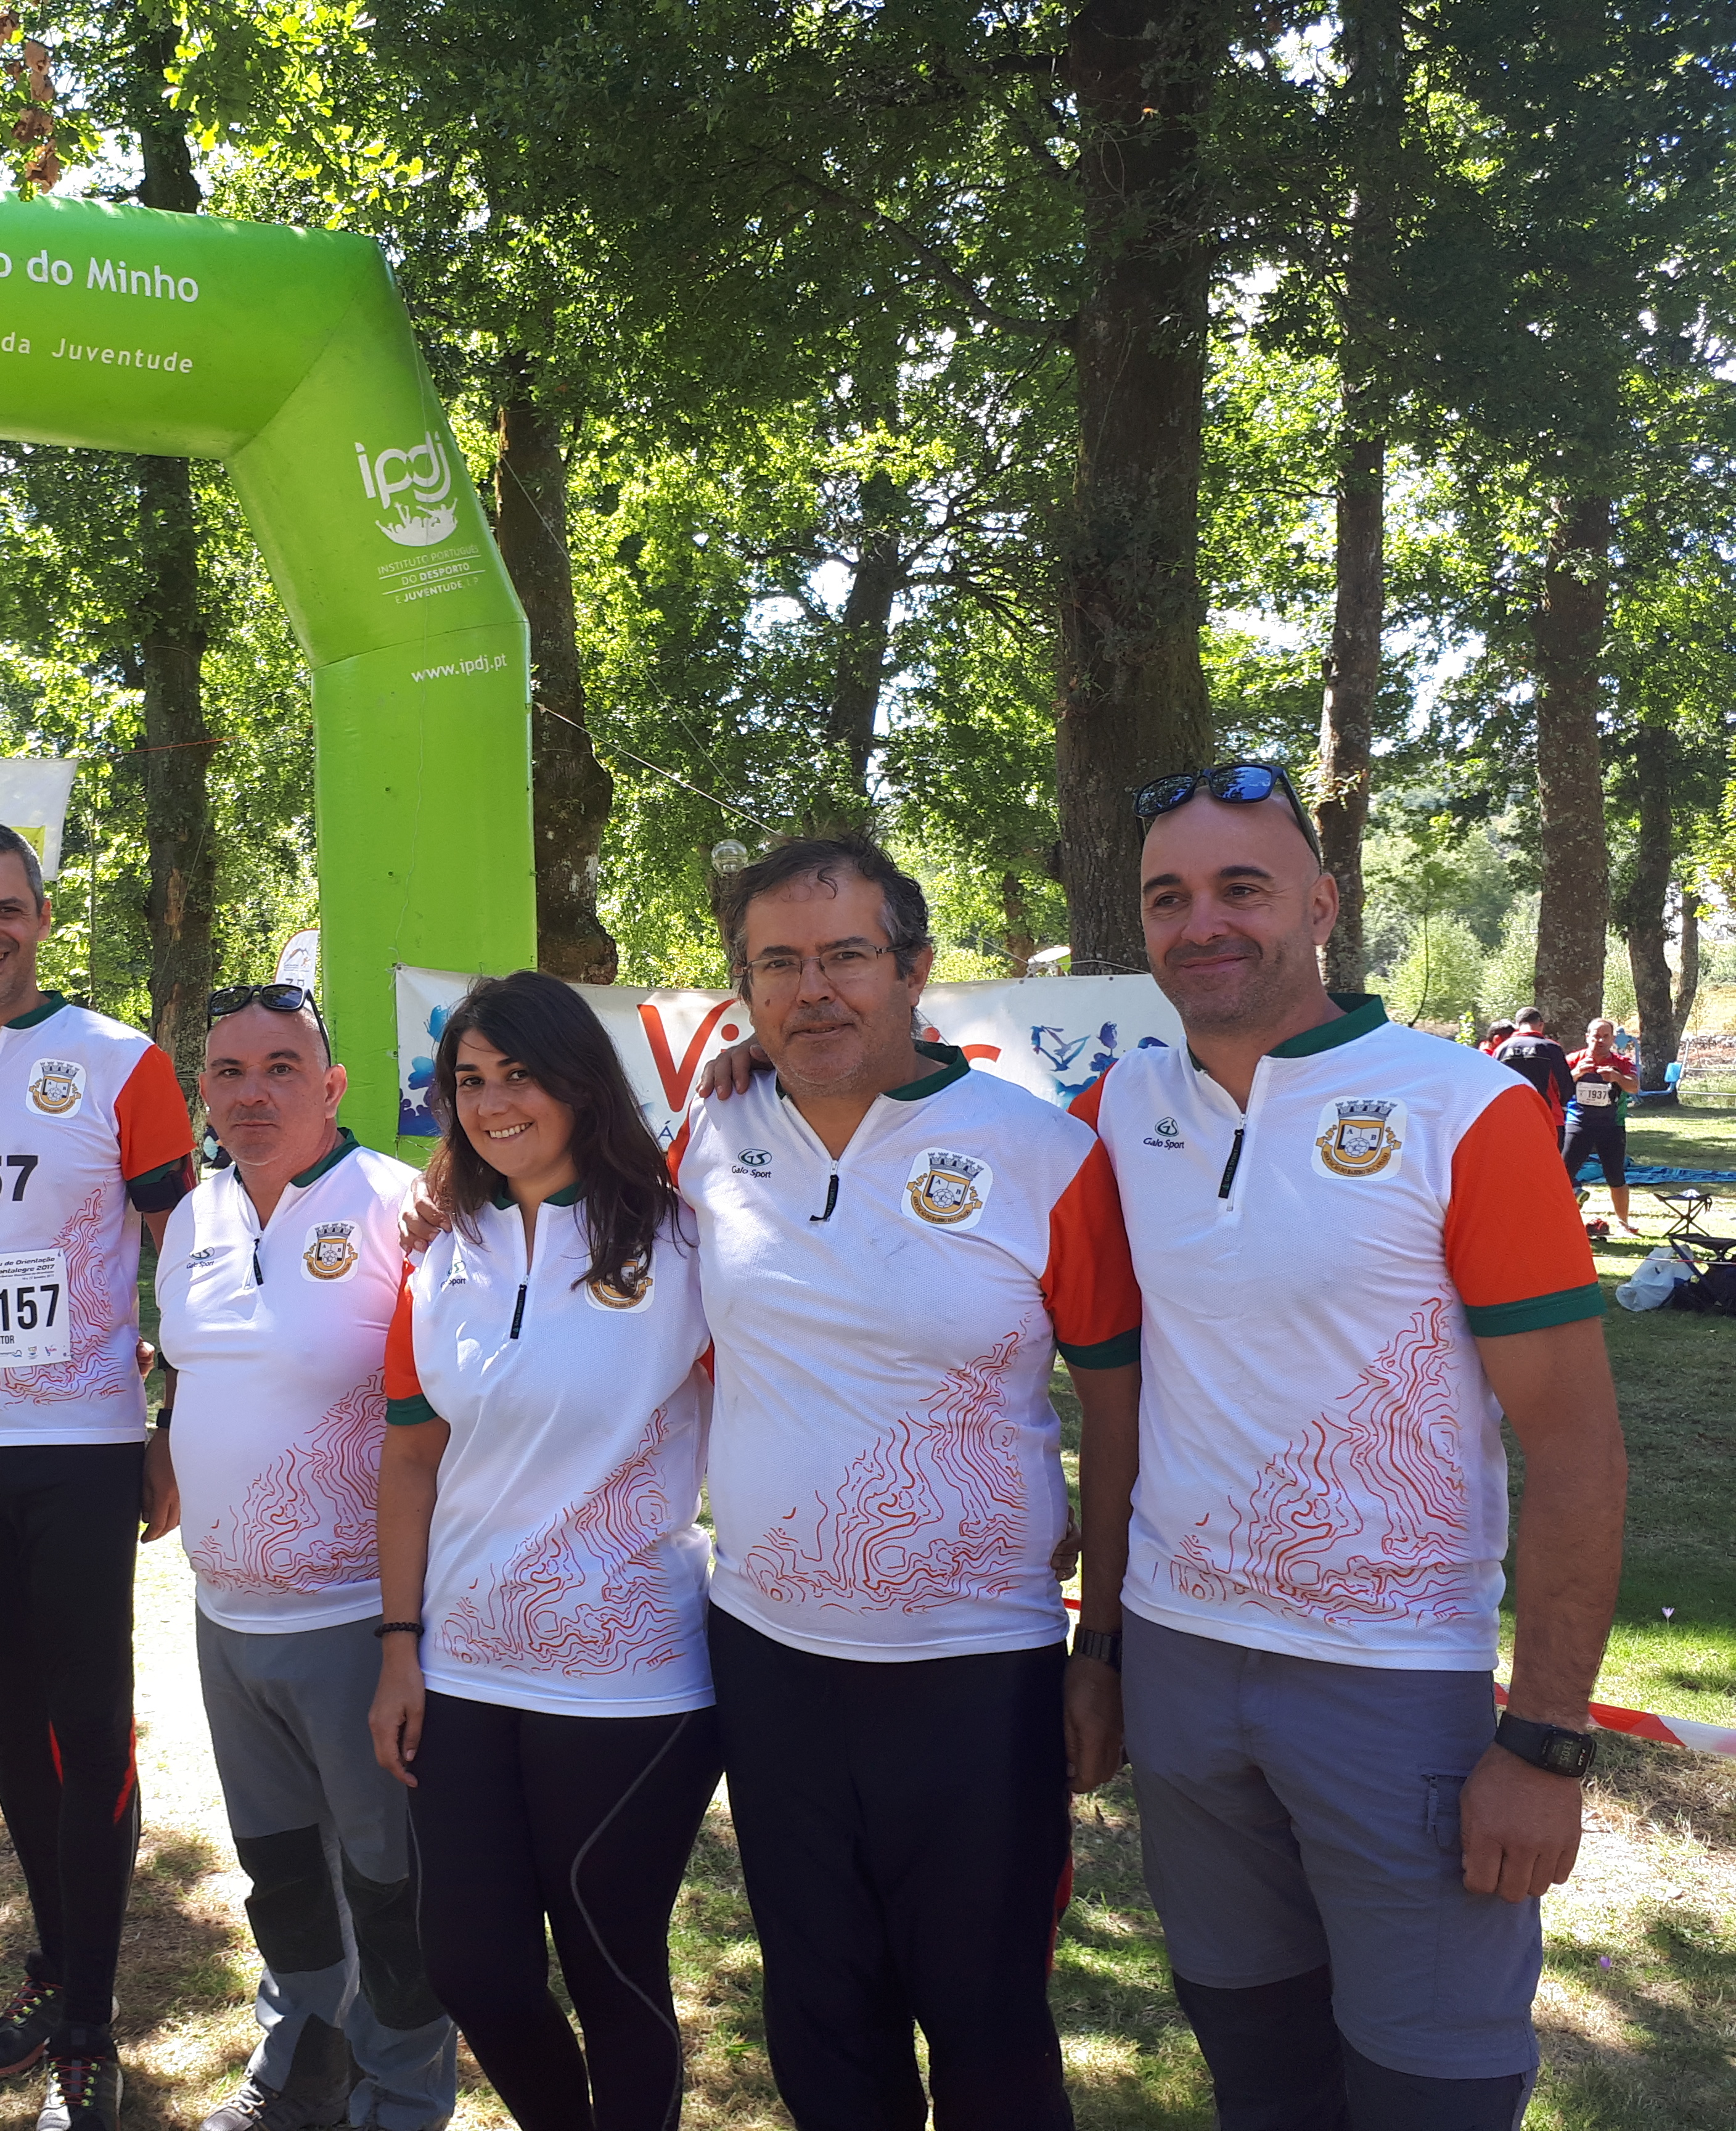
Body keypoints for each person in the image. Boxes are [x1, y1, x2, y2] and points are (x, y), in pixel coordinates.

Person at [1084, 763, 1624, 2128]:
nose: (1202, 922)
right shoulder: (1117, 1114)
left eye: (1242, 889)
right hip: (1182, 1666)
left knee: (1428, 2082)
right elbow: (904, 1114)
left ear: (1321, 906)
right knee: (1255, 2060)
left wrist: (1548, 1739)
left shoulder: (1466, 1110)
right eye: (1169, 897)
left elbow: (1572, 1448)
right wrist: (758, 1055)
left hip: (1395, 1685)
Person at [683, 836, 1143, 2130]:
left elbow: (1118, 1409)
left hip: (975, 1668)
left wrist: (1099, 1645)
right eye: (778, 964)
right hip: (769, 1653)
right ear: (744, 987)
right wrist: (444, 1198)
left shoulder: (1043, 1152)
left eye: (845, 958)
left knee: (990, 2024)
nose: (812, 990)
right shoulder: (711, 1132)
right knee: (823, 2022)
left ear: (915, 969)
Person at [0, 820, 195, 2126]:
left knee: (87, 1719)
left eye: (5, 908)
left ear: (43, 917)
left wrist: (172, 1426)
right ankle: (57, 1972)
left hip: (80, 1440)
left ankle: (88, 2029)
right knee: (7, 1717)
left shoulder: (124, 1062)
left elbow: (180, 1257)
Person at [371, 971, 721, 2131]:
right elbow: (412, 1462)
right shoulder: (436, 1255)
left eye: (517, 1074)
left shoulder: (685, 1239)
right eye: (468, 1081)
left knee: (613, 1965)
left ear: (578, 1079)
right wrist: (397, 1647)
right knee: (471, 1967)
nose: (490, 1102)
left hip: (629, 1679)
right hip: (461, 1669)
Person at [155, 983, 454, 2131]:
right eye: (227, 1072)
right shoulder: (195, 1214)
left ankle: (402, 2093)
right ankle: (304, 2059)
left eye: (281, 1067)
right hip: (224, 1615)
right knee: (279, 1872)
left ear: (330, 1087)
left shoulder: (402, 1205)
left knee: (388, 1888)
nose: (251, 1092)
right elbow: (197, 1366)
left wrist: (407, 1633)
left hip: (355, 1616)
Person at [1565, 1017, 1639, 1234]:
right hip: (1578, 1123)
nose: (1600, 1040)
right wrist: (1577, 1073)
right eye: (1596, 1036)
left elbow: (1634, 1088)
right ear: (1587, 1037)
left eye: (1605, 1036)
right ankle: (1560, 1218)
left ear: (1613, 1039)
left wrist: (1616, 1077)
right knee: (1564, 1174)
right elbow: (1558, 1086)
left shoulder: (1622, 1062)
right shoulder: (1573, 1059)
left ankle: (1623, 1223)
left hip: (1611, 1125)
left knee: (1616, 1175)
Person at [1491, 1008, 1575, 1113]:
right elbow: (1565, 1087)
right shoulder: (1552, 1048)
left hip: (1511, 1113)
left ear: (1517, 1026)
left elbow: (1494, 1083)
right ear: (1541, 1025)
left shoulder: (1501, 1049)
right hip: (1546, 1115)